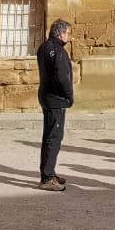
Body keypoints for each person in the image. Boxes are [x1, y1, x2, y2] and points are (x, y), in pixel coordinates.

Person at [35, 20, 74, 191]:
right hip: (55, 98)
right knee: (54, 137)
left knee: (50, 136)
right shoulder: (58, 51)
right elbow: (62, 77)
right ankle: (47, 176)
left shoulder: (44, 48)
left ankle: (49, 171)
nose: (69, 37)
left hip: (46, 96)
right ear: (60, 33)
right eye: (67, 33)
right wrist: (69, 95)